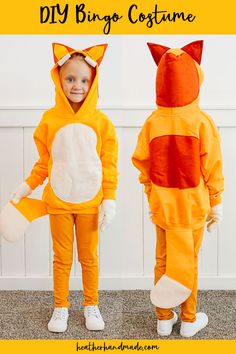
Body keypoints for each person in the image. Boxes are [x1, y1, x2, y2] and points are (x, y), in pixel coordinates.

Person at [11, 42, 118, 333]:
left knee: (89, 258)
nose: (77, 85)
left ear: (93, 82)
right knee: (61, 258)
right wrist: (26, 187)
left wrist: (109, 199)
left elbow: (109, 165)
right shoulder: (49, 121)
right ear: (59, 79)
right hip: (58, 202)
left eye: (84, 80)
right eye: (70, 78)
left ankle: (91, 305)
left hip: (90, 204)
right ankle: (60, 307)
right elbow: (44, 164)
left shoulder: (102, 123)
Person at [132, 41, 224, 337]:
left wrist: (151, 193)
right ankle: (188, 319)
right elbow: (212, 165)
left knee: (163, 260)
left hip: (163, 208)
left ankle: (162, 319)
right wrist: (216, 201)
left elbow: (142, 163)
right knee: (188, 262)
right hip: (194, 207)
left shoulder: (152, 121)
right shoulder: (201, 121)